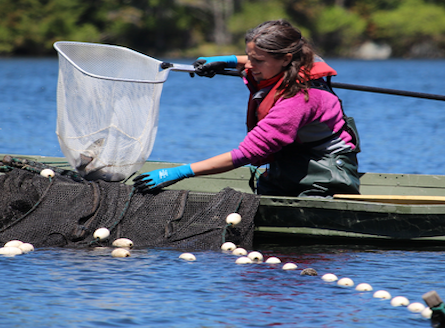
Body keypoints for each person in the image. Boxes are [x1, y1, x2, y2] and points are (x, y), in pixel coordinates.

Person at [133, 19, 360, 197]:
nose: (250, 66)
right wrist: (230, 60)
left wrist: (181, 171)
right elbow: (259, 59)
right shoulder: (301, 59)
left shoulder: (297, 100)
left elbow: (247, 153)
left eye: (257, 61)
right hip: (294, 162)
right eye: (249, 57)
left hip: (327, 172)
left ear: (286, 59)